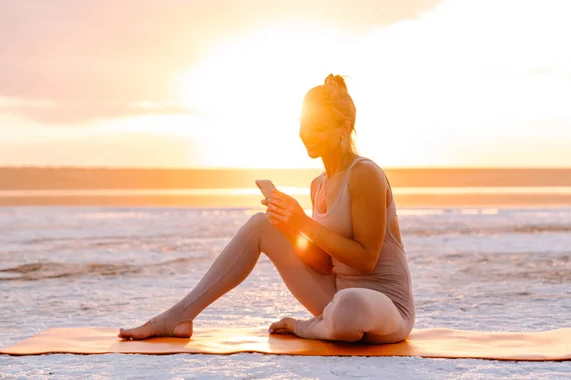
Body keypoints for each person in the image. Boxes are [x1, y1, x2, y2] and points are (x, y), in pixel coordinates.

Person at [118, 74, 415, 343]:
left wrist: (301, 222)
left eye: (319, 127)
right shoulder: (319, 184)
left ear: (344, 128)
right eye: (304, 125)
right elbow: (325, 264)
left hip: (384, 306)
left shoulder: (364, 174)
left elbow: (365, 260)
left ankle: (305, 326)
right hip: (336, 294)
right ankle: (178, 317)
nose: (308, 134)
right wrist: (288, 225)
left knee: (350, 306)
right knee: (262, 225)